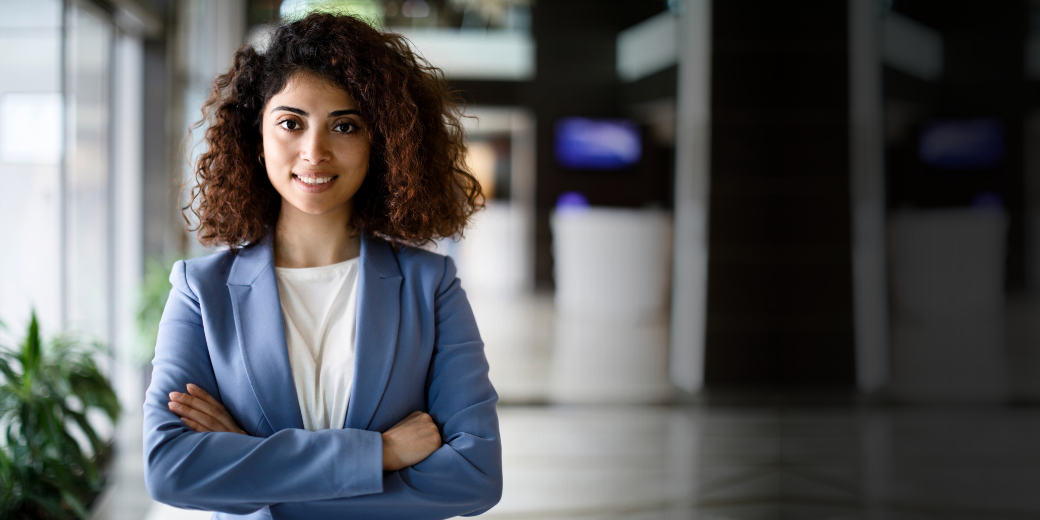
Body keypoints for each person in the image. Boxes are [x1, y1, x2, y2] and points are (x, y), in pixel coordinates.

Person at [142, 13, 501, 520]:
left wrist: (249, 462)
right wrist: (380, 455)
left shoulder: (430, 285)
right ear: (257, 135)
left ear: (381, 141)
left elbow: (476, 477)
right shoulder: (201, 292)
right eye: (291, 123)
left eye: (345, 125)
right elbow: (170, 469)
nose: (315, 151)